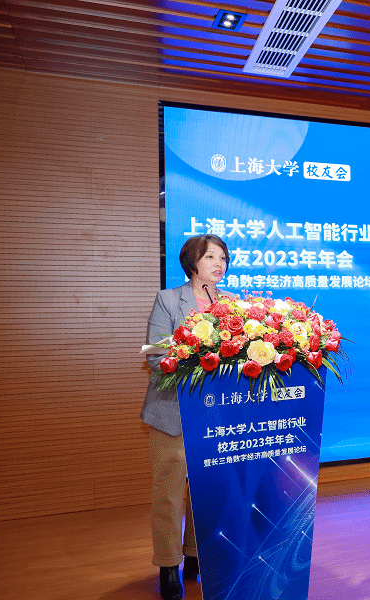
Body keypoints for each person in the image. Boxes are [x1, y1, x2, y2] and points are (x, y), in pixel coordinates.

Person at [141, 234, 231, 600]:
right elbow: (154, 355)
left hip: (215, 414)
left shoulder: (231, 304)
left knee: (208, 488)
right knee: (169, 492)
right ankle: (168, 565)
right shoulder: (168, 299)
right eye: (210, 257)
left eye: (222, 257)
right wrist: (199, 362)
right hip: (173, 411)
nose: (219, 263)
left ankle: (196, 556)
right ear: (192, 262)